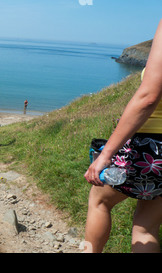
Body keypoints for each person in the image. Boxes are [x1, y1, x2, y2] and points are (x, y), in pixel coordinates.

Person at [84, 20, 162, 253]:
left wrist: (106, 154)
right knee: (146, 228)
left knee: (99, 201)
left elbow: (148, 97)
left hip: (149, 146)